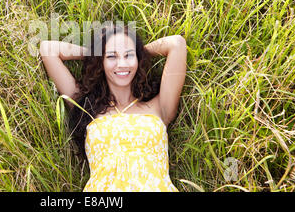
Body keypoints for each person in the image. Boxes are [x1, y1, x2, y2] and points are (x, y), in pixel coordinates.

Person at [39, 24, 187, 191]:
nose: (122, 64)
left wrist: (139, 51)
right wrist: (94, 54)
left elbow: (176, 44)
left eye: (128, 56)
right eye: (112, 57)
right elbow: (48, 49)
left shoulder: (159, 108)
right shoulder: (86, 109)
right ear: (100, 61)